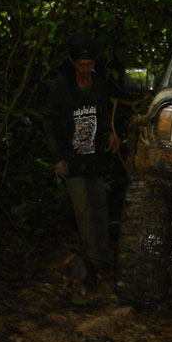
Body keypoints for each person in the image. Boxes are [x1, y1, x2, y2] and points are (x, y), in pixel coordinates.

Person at [44, 34, 112, 291]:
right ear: (72, 62)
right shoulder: (62, 86)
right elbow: (50, 121)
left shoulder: (99, 84)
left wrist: (111, 133)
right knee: (82, 211)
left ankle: (102, 256)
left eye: (89, 64)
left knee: (100, 208)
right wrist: (58, 158)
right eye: (81, 64)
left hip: (94, 158)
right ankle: (91, 263)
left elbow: (105, 114)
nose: (85, 69)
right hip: (72, 160)